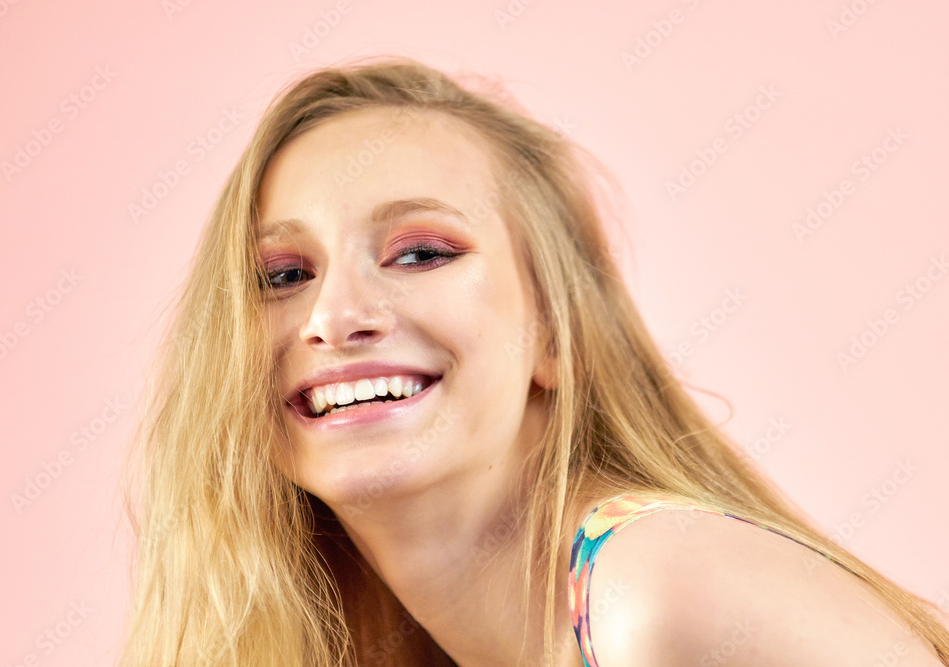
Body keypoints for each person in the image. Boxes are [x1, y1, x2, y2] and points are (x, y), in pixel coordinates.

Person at [119, 56, 949, 666]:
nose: (335, 318)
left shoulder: (653, 594)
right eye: (282, 276)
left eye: (421, 253)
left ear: (554, 332)